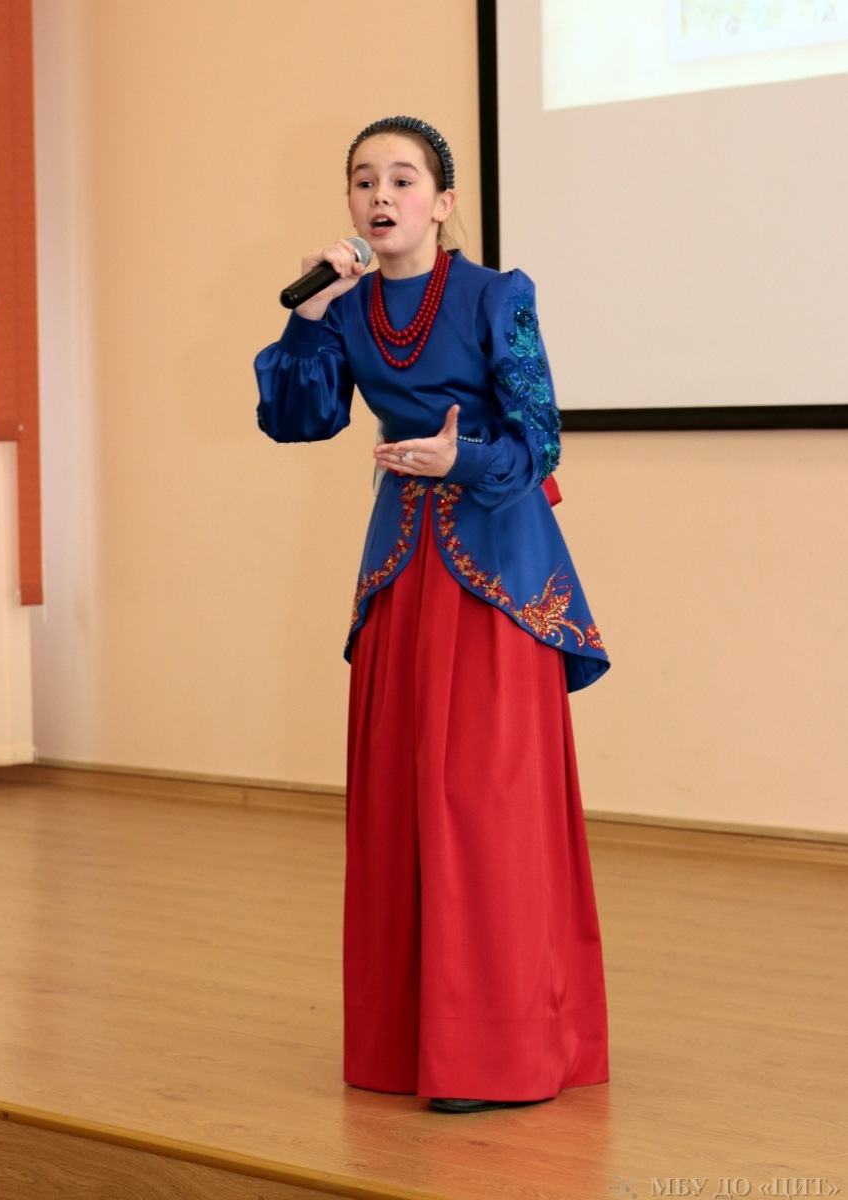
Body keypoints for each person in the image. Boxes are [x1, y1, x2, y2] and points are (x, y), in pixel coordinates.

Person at [254, 116, 610, 1114]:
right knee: (401, 799)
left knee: (484, 804)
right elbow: (296, 419)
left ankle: (499, 1051)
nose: (381, 195)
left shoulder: (498, 294)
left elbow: (540, 439)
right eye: (363, 179)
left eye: (403, 178)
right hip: (401, 571)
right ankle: (409, 1043)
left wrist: (463, 458)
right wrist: (308, 315)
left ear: (443, 202)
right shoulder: (346, 306)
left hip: (495, 566)